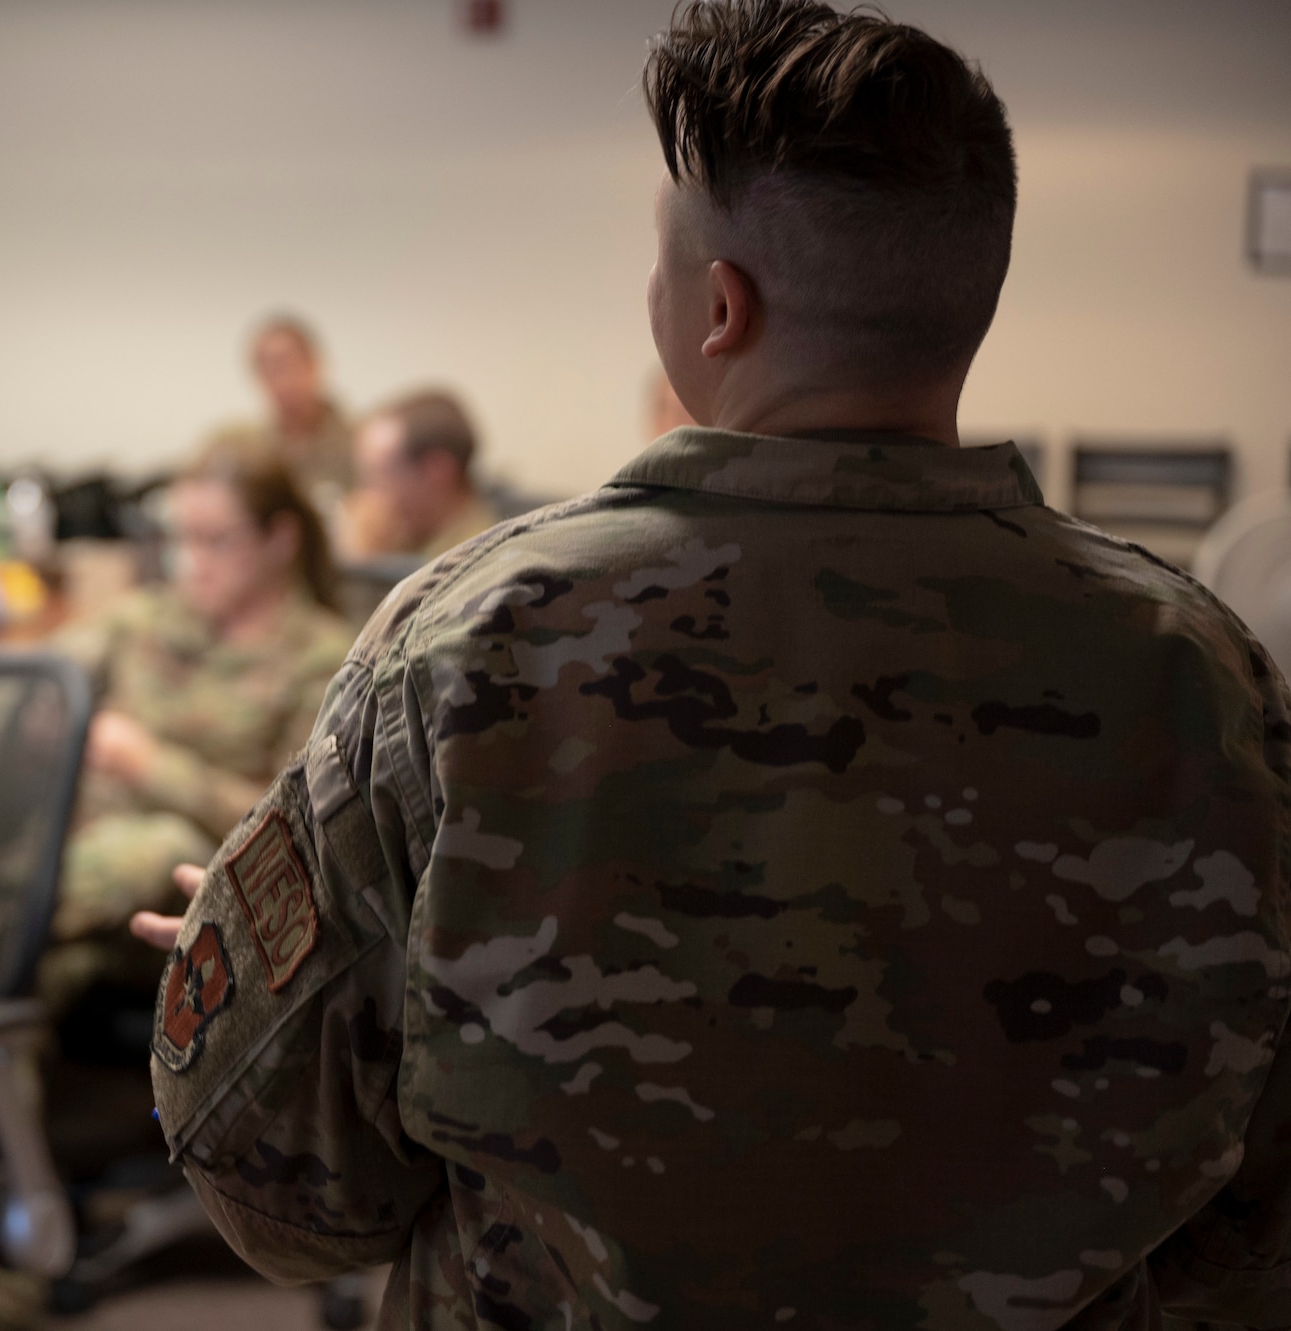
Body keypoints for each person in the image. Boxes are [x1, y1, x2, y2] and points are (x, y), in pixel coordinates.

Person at [136, 2, 1291, 1326]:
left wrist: (298, 979)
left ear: (720, 307)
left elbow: (286, 1194)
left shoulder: (470, 635)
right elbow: (1258, 1212)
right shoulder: (1200, 670)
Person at [42, 442, 353, 1010]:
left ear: (279, 541)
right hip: (79, 850)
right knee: (49, 972)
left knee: (160, 848)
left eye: (216, 540)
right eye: (182, 538)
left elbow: (297, 830)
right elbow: (37, 680)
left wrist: (149, 765)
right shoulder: (145, 619)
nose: (193, 561)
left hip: (208, 890)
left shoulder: (320, 659)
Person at [209, 314, 357, 509]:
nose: (282, 379)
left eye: (288, 363)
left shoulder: (360, 441)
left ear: (314, 364)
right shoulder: (244, 450)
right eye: (269, 368)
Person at [337, 388, 497, 561]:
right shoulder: (401, 542)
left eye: (378, 477)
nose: (366, 495)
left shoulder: (480, 561)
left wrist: (362, 565)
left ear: (438, 470)